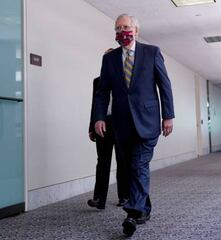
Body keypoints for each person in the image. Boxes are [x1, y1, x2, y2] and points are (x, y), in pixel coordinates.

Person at [94, 14, 175, 236]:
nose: (122, 31)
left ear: (136, 30)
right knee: (131, 168)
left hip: (148, 122)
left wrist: (168, 116)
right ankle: (145, 208)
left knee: (138, 164)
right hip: (121, 124)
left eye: (126, 27)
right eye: (118, 28)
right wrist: (99, 117)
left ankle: (133, 213)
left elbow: (164, 85)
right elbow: (102, 92)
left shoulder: (152, 52)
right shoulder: (109, 59)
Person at [88, 49, 129, 209]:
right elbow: (95, 104)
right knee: (102, 162)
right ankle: (99, 199)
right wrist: (92, 126)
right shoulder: (97, 81)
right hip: (102, 124)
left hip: (121, 124)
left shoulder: (125, 78)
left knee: (123, 161)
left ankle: (124, 197)